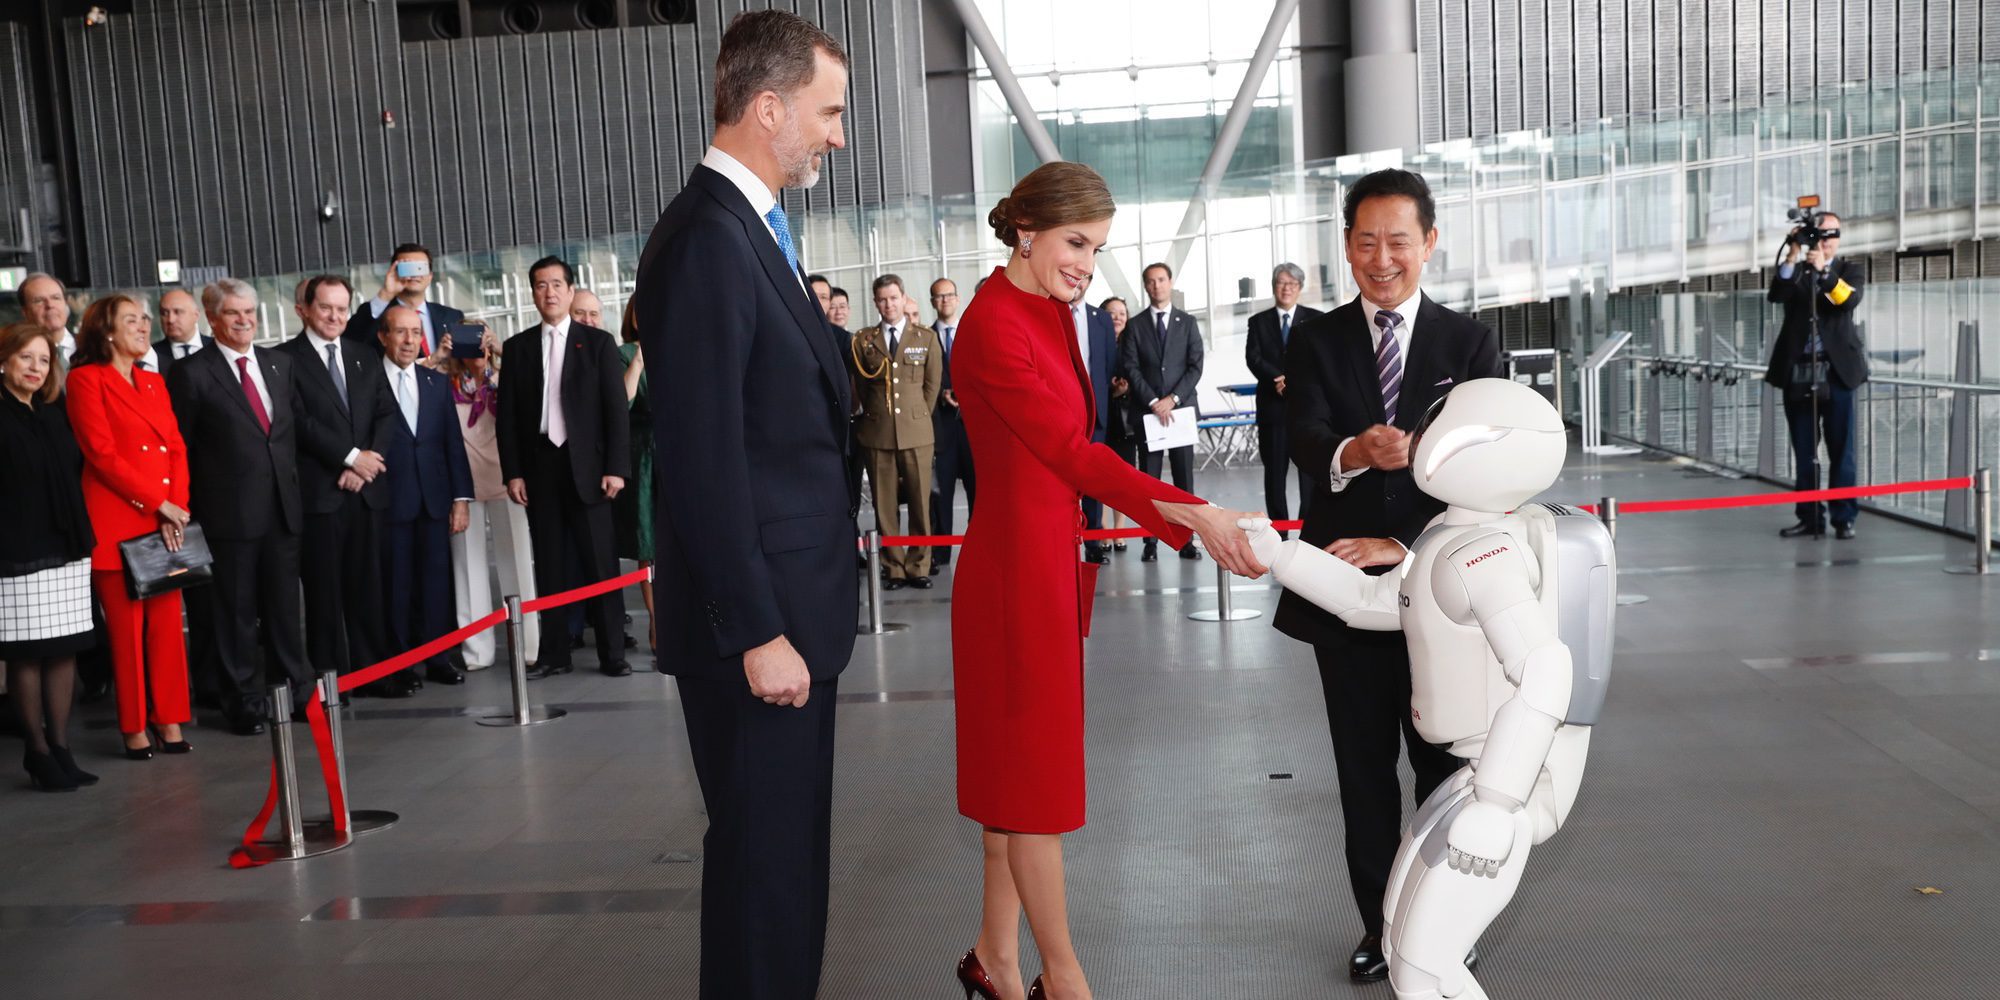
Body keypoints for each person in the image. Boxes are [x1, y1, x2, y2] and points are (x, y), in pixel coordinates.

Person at [948, 162, 1264, 1000]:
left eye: (1097, 247)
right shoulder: (992, 324)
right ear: (1027, 231)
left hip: (1047, 569)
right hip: (1015, 584)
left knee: (1012, 793)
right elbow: (1073, 452)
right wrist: (1192, 513)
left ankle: (996, 959)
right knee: (1035, 796)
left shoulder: (1054, 312)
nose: (1088, 263)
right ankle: (1066, 980)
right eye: (1076, 242)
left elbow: (1074, 448)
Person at [631, 10, 856, 998]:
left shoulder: (747, 228)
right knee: (765, 875)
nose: (836, 134)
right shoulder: (708, 241)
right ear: (768, 108)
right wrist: (757, 629)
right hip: (762, 634)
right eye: (828, 111)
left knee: (781, 868)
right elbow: (701, 455)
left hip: (788, 619)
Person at [1274, 168, 1503, 983]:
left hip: (1441, 596)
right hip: (1344, 600)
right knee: (1364, 774)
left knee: (1446, 774)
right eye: (1365, 241)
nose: (1382, 257)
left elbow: (1487, 468)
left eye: (1398, 240)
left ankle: (1447, 926)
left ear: (1429, 243)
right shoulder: (1319, 337)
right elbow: (1303, 435)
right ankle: (1380, 925)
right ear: (1346, 247)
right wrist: (1350, 453)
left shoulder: (1470, 344)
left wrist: (1403, 544)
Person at [166, 278, 313, 736]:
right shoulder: (192, 373)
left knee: (286, 607)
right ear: (213, 319)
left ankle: (298, 692)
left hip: (282, 511)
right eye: (234, 313)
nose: (245, 320)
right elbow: (182, 447)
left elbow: (287, 437)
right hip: (228, 517)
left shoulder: (279, 364)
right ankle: (243, 701)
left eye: (249, 311)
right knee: (234, 613)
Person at [65, 296, 197, 759]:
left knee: (166, 629)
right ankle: (134, 726)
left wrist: (175, 506)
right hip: (118, 521)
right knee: (127, 633)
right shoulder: (85, 380)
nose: (145, 327)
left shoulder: (153, 382)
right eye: (132, 321)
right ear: (105, 332)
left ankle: (170, 718)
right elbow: (102, 456)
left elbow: (176, 448)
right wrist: (159, 502)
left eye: (145, 320)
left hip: (165, 521)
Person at [496, 256, 631, 679]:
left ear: (570, 291)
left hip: (590, 468)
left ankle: (613, 654)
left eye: (556, 284)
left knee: (601, 565)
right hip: (541, 467)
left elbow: (615, 413)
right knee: (550, 566)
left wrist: (616, 467)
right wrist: (513, 472)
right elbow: (508, 420)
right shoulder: (517, 348)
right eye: (540, 285)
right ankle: (555, 654)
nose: (549, 292)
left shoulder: (598, 344)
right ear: (532, 293)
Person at [276, 276, 400, 698]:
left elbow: (386, 415)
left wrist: (365, 464)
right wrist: (350, 457)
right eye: (326, 307)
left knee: (369, 588)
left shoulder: (364, 354)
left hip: (364, 493)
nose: (335, 316)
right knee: (325, 595)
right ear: (305, 309)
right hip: (320, 496)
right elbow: (298, 422)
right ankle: (332, 681)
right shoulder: (284, 360)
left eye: (343, 308)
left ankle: (373, 673)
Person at [0, 323, 100, 791]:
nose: (37, 368)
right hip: (17, 548)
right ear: (4, 360)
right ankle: (36, 752)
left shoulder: (51, 412)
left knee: (65, 647)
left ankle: (61, 747)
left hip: (65, 545)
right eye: (26, 358)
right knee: (27, 654)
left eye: (44, 360)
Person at [372, 306, 475, 690]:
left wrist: (460, 498)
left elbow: (452, 443)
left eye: (415, 333)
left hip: (434, 499)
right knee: (396, 586)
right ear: (384, 336)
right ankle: (400, 665)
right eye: (400, 332)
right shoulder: (369, 382)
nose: (409, 340)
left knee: (435, 584)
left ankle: (438, 658)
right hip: (389, 501)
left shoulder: (434, 382)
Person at [442, 325, 540, 670]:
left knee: (517, 563)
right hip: (462, 485)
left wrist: (500, 354)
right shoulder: (444, 384)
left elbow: (531, 401)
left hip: (505, 478)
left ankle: (529, 647)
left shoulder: (505, 378)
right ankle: (476, 651)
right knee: (467, 569)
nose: (474, 348)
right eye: (466, 341)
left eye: (480, 341)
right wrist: (443, 354)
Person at [1765, 211, 1867, 540]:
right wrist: (1793, 253)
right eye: (1818, 235)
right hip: (1798, 371)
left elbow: (1847, 302)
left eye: (1830, 235)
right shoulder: (1796, 271)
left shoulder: (1848, 269)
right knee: (1805, 450)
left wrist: (1823, 271)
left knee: (1842, 451)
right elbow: (1777, 294)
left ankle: (1843, 518)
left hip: (1837, 373)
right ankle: (1809, 517)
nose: (1824, 241)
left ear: (1838, 239)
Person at [851, 274, 944, 589]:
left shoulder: (925, 338)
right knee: (884, 506)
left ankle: (919, 564)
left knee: (920, 502)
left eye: (893, 298)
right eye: (882, 299)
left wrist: (917, 416)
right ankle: (894, 567)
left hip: (917, 432)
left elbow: (931, 386)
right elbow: (863, 388)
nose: (888, 304)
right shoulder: (864, 340)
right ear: (876, 302)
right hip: (878, 433)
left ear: (904, 298)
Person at [1118, 262, 1204, 561]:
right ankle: (1150, 544)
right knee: (1149, 482)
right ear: (1145, 286)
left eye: (1161, 280)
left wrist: (1174, 399)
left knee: (1184, 482)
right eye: (1151, 282)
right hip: (1149, 413)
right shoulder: (1135, 325)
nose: (1157, 286)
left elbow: (1196, 366)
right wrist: (1155, 400)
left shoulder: (1188, 322)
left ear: (1170, 282)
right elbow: (1130, 366)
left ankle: (1187, 542)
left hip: (1179, 413)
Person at [1246, 262, 1324, 536]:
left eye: (1292, 284)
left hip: (1307, 411)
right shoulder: (1257, 322)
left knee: (1309, 475)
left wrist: (1293, 380)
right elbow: (1253, 358)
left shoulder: (1316, 319)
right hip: (1272, 409)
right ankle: (1279, 533)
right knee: (1274, 475)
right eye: (1281, 283)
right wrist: (1276, 378)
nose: (1286, 288)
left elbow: (1320, 359)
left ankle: (1308, 530)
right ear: (1273, 287)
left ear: (1300, 288)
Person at [613, 307, 657, 652]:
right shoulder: (624, 353)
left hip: (683, 455)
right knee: (649, 542)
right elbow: (622, 402)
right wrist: (640, 360)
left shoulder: (681, 345)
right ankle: (659, 622)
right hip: (645, 457)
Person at [1069, 281, 1119, 564]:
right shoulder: (1052, 314)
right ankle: (1066, 537)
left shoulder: (1101, 319)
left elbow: (1109, 364)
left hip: (1096, 410)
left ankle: (1093, 541)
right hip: (1063, 408)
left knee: (1093, 479)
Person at [344, 243, 467, 354]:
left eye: (420, 268)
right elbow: (350, 339)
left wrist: (484, 343)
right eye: (407, 268)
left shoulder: (452, 317)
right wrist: (386, 293)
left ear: (430, 276)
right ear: (393, 273)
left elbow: (466, 362)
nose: (414, 275)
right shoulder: (377, 316)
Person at [929, 277, 973, 571]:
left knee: (979, 493)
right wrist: (942, 393)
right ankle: (940, 553)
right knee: (940, 495)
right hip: (940, 429)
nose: (944, 301)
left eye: (948, 295)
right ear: (933, 302)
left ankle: (977, 548)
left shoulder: (973, 333)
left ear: (957, 298)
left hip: (973, 430)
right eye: (938, 297)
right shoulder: (924, 337)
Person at [1099, 296, 1139, 551]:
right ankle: (1102, 533)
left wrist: (1124, 391)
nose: (1117, 317)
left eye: (1121, 313)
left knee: (1123, 478)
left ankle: (1119, 531)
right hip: (1101, 417)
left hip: (1126, 420)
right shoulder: (1097, 341)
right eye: (1111, 313)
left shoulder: (1132, 343)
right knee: (1100, 479)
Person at [148, 288, 212, 375]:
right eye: (164, 313)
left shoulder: (216, 348)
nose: (170, 320)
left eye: (177, 312)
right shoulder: (151, 355)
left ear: (196, 315)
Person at [18, 273, 79, 363]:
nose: (50, 305)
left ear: (66, 304)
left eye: (56, 298)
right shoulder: (18, 354)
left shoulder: (91, 347)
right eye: (39, 301)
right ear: (25, 312)